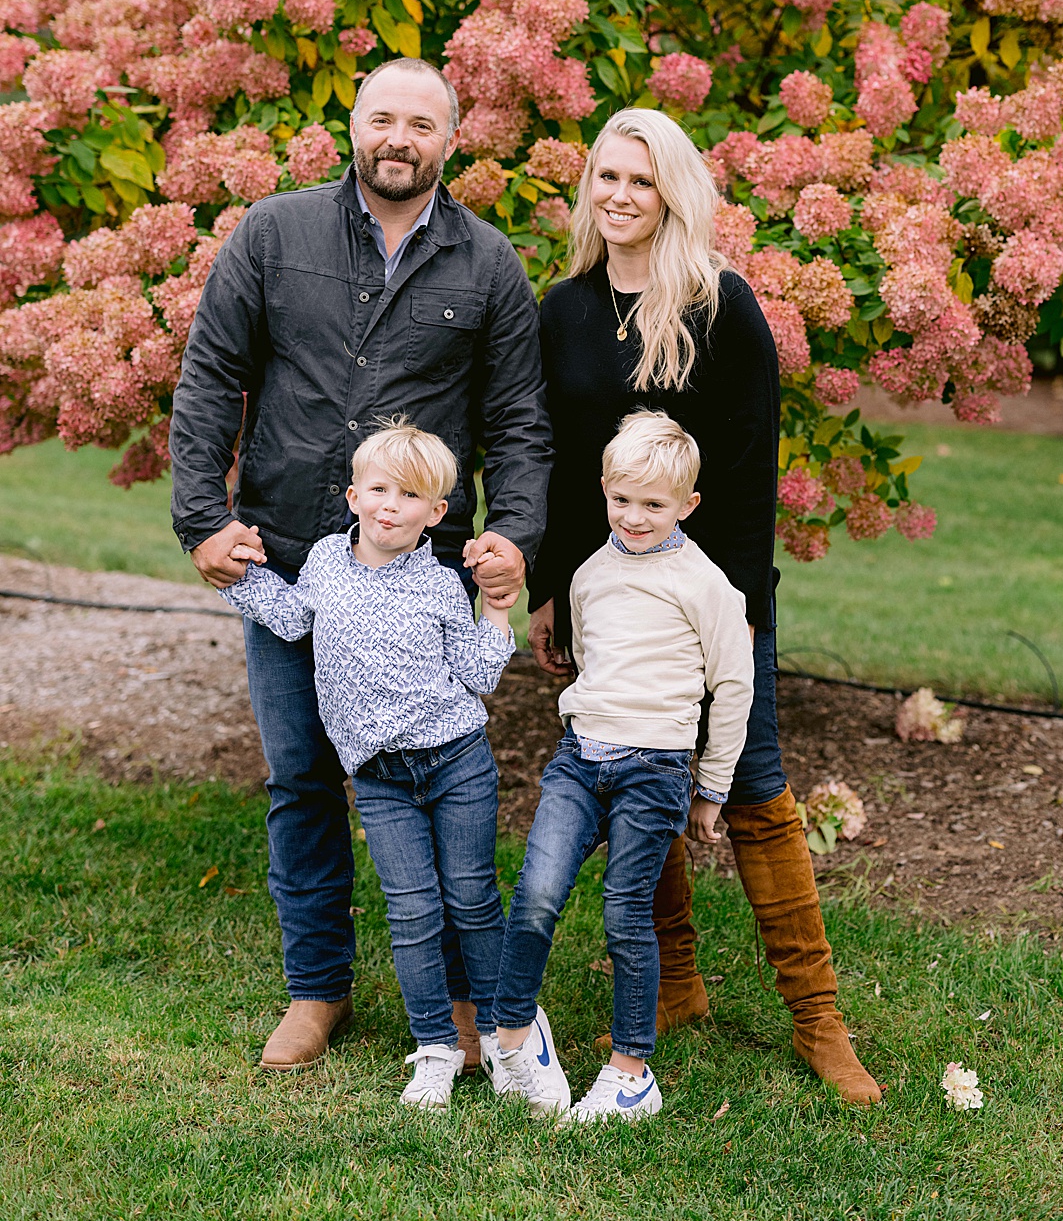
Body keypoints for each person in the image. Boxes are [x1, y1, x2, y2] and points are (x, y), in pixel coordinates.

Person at [169, 57, 553, 1072]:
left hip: (422, 581)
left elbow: (518, 419)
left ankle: (463, 1003)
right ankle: (317, 988)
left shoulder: (489, 265)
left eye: (421, 125)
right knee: (301, 778)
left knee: (438, 790)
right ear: (352, 126)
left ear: (450, 139)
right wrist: (200, 519)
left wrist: (512, 536)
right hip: (288, 555)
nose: (400, 138)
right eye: (383, 118)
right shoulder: (273, 233)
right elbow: (211, 370)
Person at [527, 107, 881, 1106]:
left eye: (641, 180)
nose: (620, 196)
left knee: (758, 790)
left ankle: (817, 1019)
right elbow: (560, 468)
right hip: (603, 595)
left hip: (709, 595)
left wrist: (728, 618)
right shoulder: (563, 310)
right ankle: (674, 986)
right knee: (636, 771)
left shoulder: (721, 306)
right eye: (605, 176)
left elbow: (746, 474)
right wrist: (553, 589)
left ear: (674, 191)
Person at [218, 421, 516, 1111]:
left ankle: (507, 1039)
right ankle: (436, 1048)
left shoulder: (442, 584)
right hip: (380, 779)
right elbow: (291, 619)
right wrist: (239, 573)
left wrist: (499, 611)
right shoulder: (324, 562)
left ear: (436, 512)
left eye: (410, 495)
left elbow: (477, 672)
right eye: (378, 489)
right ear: (353, 495)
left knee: (471, 900)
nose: (391, 505)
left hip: (457, 764)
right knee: (412, 911)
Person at [491, 411, 753, 1123]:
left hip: (655, 767)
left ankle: (631, 1070)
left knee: (623, 912)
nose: (635, 517)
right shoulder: (588, 574)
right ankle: (512, 1035)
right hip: (580, 759)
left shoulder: (705, 584)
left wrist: (712, 788)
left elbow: (734, 685)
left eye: (655, 505)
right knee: (537, 891)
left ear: (687, 505)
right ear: (604, 488)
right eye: (623, 500)